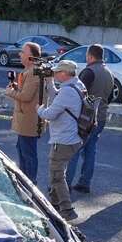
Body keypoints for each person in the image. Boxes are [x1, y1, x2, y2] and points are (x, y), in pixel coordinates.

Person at [36, 59, 85, 221]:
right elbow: (57, 98)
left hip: (63, 139)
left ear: (64, 73)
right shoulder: (77, 85)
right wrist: (50, 82)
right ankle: (54, 204)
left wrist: (39, 110)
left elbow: (50, 114)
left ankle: (67, 209)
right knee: (56, 173)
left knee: (57, 175)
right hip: (74, 137)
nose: (55, 74)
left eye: (57, 72)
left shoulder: (67, 91)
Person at [66, 44, 113, 194]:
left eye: (87, 56)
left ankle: (65, 184)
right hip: (101, 116)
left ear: (90, 56)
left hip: (86, 117)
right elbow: (109, 96)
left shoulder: (89, 72)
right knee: (90, 150)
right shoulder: (109, 72)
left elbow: (77, 94)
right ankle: (85, 182)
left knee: (73, 150)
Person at [4, 42, 54, 182]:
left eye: (23, 52)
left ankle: (30, 183)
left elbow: (26, 97)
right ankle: (25, 180)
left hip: (28, 121)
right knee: (23, 150)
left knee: (28, 154)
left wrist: (10, 91)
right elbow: (27, 92)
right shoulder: (33, 70)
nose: (20, 54)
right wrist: (16, 87)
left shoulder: (33, 72)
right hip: (27, 120)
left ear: (31, 57)